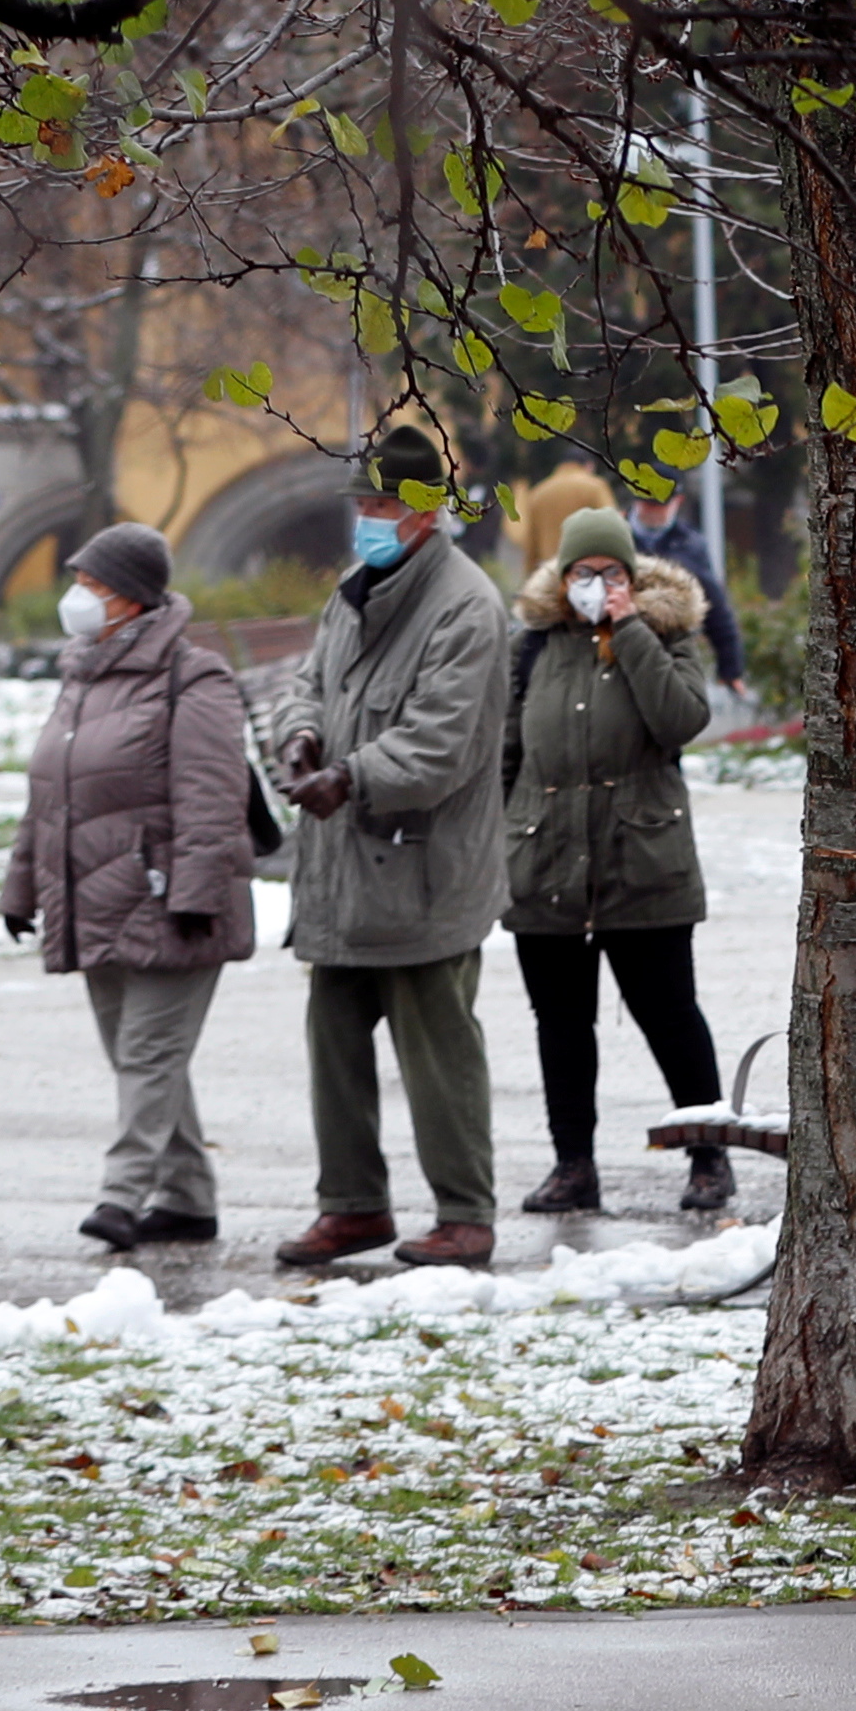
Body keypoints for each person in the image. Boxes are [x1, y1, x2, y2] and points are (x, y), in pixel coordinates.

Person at [275, 424, 513, 1270]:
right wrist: (300, 737)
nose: (364, 520)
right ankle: (351, 1207)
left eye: (378, 504)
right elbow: (305, 683)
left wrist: (349, 776)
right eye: (361, 504)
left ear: (420, 511)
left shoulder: (466, 604)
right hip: (341, 874)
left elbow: (441, 744)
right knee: (333, 1047)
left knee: (438, 1051)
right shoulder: (355, 588)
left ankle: (465, 1212)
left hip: (423, 870)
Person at [0, 519, 255, 1254]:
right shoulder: (82, 676)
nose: (78, 597)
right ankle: (187, 1198)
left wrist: (197, 894)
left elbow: (212, 796)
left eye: (94, 585)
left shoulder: (192, 675)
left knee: (147, 1054)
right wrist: (23, 888)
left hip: (174, 901)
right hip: (95, 898)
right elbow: (50, 795)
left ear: (135, 598)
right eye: (78, 582)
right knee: (141, 1056)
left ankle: (121, 1195)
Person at [503, 505, 731, 1220]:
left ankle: (708, 1156)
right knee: (561, 1024)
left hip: (644, 860)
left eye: (609, 571)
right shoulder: (534, 647)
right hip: (548, 864)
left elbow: (681, 720)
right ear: (561, 575)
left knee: (667, 1013)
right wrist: (501, 840)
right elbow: (507, 751)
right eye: (582, 571)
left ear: (630, 576)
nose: (595, 583)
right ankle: (573, 1166)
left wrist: (629, 629)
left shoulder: (666, 635)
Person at [634, 496, 751, 688]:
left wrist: (730, 668)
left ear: (677, 502)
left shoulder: (689, 544)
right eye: (648, 504)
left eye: (660, 505)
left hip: (670, 648)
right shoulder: (615, 536)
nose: (653, 511)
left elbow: (714, 605)